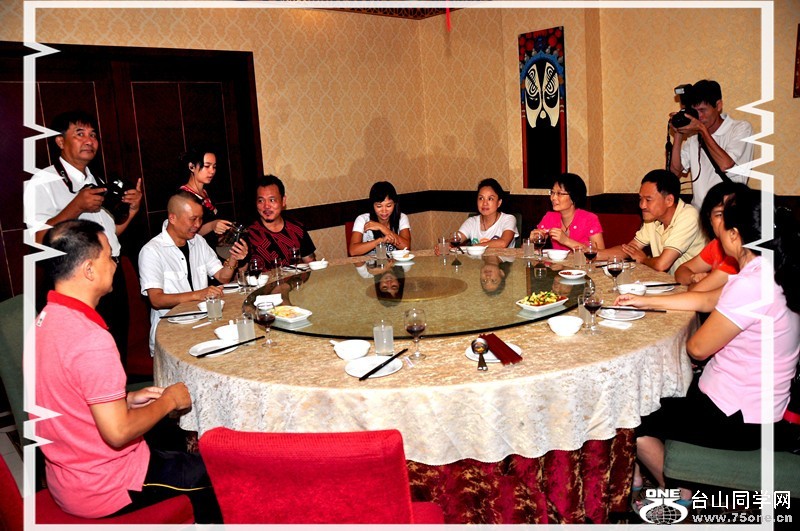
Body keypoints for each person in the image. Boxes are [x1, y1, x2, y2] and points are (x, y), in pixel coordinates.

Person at [615, 189, 800, 507]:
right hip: (758, 401)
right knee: (660, 391)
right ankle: (668, 484)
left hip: (737, 414)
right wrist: (643, 300)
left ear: (735, 234)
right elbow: (705, 299)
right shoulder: (772, 269)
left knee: (631, 412)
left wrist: (695, 335)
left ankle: (675, 491)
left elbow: (697, 348)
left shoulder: (752, 284)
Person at [34, 219, 221, 522]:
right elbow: (118, 433)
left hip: (67, 477)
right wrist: (170, 400)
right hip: (107, 486)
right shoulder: (90, 339)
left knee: (172, 443)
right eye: (109, 256)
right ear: (89, 270)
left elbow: (65, 396)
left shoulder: (45, 320)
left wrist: (125, 400)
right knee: (219, 476)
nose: (115, 264)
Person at [24, 110, 143, 365]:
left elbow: (110, 235)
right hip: (76, 282)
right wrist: (76, 207)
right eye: (80, 134)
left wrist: (132, 211)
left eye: (93, 135)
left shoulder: (96, 179)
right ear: (60, 141)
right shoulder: (42, 182)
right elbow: (37, 240)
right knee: (86, 360)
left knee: (115, 352)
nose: (89, 140)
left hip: (111, 274)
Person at [139, 192, 247, 355]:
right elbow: (156, 300)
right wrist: (198, 295)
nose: (197, 225)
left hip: (203, 325)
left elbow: (222, 277)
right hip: (171, 332)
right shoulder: (151, 251)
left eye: (200, 219)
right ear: (172, 218)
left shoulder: (198, 242)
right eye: (192, 219)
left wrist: (233, 258)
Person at [598, 169, 706, 274]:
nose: (642, 205)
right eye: (640, 199)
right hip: (668, 281)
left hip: (694, 282)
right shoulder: (652, 218)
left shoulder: (689, 216)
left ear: (669, 200)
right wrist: (594, 253)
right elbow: (630, 249)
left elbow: (662, 265)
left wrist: (644, 259)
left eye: (648, 200)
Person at [668, 79, 753, 210]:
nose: (699, 116)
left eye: (703, 110)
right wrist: (678, 134)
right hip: (699, 214)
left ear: (718, 105)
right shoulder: (694, 137)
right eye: (695, 111)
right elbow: (674, 172)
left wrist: (702, 130)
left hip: (729, 213)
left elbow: (725, 164)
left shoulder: (740, 128)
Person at [673, 181, 743, 291]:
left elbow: (698, 291)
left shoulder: (742, 252)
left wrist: (697, 284)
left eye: (732, 213)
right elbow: (681, 271)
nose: (726, 221)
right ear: (710, 220)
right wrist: (693, 277)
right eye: (719, 215)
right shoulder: (716, 244)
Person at [246, 174, 317, 267]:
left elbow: (311, 264)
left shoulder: (297, 229)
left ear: (283, 201)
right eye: (261, 201)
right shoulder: (249, 234)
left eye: (272, 200)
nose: (266, 206)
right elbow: (241, 272)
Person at [529, 173, 604, 251]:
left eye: (559, 193)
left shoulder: (589, 219)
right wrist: (533, 240)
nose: (553, 198)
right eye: (552, 192)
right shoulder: (550, 217)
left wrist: (566, 241)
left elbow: (600, 253)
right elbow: (531, 249)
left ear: (574, 197)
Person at [178, 147, 232, 251]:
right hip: (196, 252)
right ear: (191, 166)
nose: (212, 171)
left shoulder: (206, 192)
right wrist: (212, 225)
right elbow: (186, 233)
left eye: (214, 167)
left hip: (211, 251)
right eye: (207, 166)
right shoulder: (183, 197)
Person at [349, 181, 411, 256]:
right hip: (369, 263)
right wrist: (380, 241)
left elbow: (406, 247)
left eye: (388, 206)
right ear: (372, 205)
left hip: (395, 263)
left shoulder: (401, 217)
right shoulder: (362, 219)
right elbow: (353, 251)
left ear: (394, 204)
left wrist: (381, 227)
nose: (384, 211)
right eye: (379, 206)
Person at [455, 178, 518, 248]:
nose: (485, 203)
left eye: (490, 199)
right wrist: (447, 244)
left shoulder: (508, 219)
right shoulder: (472, 221)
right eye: (481, 198)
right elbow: (456, 240)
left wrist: (474, 247)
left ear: (499, 203)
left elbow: (503, 243)